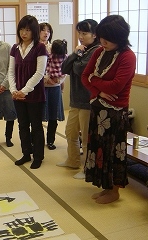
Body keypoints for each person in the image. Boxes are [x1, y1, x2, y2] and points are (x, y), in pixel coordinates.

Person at [81, 15, 136, 204]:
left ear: (119, 37)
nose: (102, 42)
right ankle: (105, 186)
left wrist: (95, 84)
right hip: (98, 108)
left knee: (113, 152)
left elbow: (116, 86)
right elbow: (84, 76)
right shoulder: (99, 52)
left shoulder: (128, 56)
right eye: (101, 37)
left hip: (115, 113)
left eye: (107, 38)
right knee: (98, 149)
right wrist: (99, 92)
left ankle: (115, 191)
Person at [56, 19, 100, 179]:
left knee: (87, 137)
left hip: (88, 101)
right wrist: (75, 54)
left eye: (84, 33)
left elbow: (81, 69)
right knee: (70, 132)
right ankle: (73, 161)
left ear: (94, 34)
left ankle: (88, 168)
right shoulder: (81, 50)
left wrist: (76, 58)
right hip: (75, 100)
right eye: (79, 33)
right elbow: (64, 68)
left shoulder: (96, 50)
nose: (81, 36)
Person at [8, 15, 47, 169]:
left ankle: (38, 157)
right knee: (22, 125)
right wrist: (13, 90)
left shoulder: (40, 47)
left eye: (28, 30)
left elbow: (39, 73)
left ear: (34, 32)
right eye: (22, 29)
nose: (24, 33)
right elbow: (10, 72)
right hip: (17, 95)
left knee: (36, 127)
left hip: (35, 95)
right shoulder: (14, 48)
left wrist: (24, 91)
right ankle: (26, 153)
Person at [42, 33, 68, 150]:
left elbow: (65, 73)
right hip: (43, 87)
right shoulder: (47, 56)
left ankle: (50, 141)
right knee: (39, 115)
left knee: (53, 116)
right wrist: (47, 79)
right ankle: (36, 139)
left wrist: (58, 81)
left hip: (56, 88)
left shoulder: (66, 58)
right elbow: (42, 70)